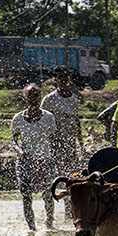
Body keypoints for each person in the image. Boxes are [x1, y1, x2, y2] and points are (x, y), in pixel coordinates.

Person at [11, 84, 57, 232]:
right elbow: (13, 140)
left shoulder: (48, 117)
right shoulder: (18, 118)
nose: (33, 99)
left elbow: (54, 141)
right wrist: (19, 151)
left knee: (48, 195)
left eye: (36, 96)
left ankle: (49, 225)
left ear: (40, 97)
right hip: (25, 162)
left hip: (44, 161)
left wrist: (53, 160)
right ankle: (32, 229)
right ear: (25, 98)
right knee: (26, 196)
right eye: (30, 96)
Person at [40, 68, 82, 217]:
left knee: (71, 177)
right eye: (60, 77)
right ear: (56, 80)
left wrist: (81, 144)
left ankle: (69, 212)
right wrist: (49, 141)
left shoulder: (73, 99)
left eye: (66, 77)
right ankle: (49, 214)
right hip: (54, 145)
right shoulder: (50, 99)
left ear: (69, 79)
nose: (63, 80)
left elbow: (76, 121)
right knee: (54, 177)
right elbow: (42, 120)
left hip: (70, 143)